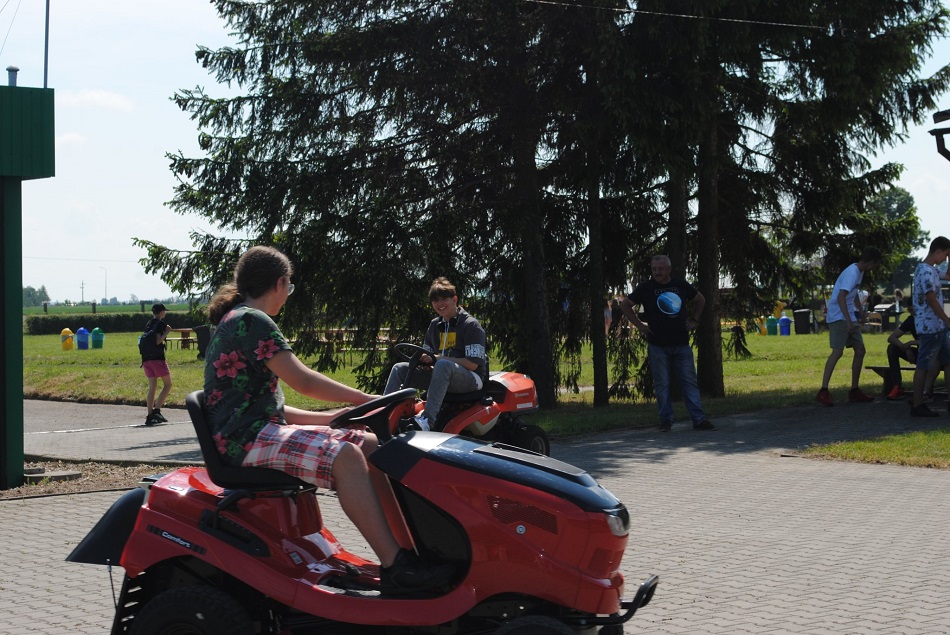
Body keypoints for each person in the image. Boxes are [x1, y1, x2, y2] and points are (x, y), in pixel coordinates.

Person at [204, 245, 452, 592]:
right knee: (346, 457)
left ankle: (406, 551)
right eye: (288, 288)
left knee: (368, 443)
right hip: (244, 443)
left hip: (255, 433)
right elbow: (303, 381)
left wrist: (333, 418)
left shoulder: (238, 321)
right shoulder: (251, 320)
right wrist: (364, 398)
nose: (287, 297)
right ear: (278, 283)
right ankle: (398, 567)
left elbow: (262, 405)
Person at [620, 255, 715, 431]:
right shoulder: (646, 288)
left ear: (669, 270)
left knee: (689, 383)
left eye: (661, 269)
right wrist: (639, 325)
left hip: (681, 343)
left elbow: (700, 299)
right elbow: (625, 304)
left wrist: (695, 319)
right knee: (662, 384)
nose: (657, 272)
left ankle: (699, 419)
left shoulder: (680, 285)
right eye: (654, 269)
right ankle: (665, 421)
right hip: (657, 344)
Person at [384, 277, 488, 431]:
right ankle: (384, 414)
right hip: (441, 374)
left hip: (472, 379)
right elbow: (429, 353)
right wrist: (425, 361)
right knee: (400, 368)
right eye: (435, 300)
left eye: (444, 299)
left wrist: (439, 360)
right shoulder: (435, 325)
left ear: (454, 299)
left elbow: (473, 364)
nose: (440, 304)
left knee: (443, 365)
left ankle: (427, 421)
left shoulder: (470, 325)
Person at [815, 247, 882, 406]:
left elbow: (853, 294)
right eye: (875, 265)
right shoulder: (852, 272)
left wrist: (860, 311)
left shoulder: (860, 272)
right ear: (870, 262)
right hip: (839, 317)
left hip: (849, 316)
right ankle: (823, 391)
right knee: (837, 352)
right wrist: (848, 321)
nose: (874, 268)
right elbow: (840, 297)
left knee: (860, 350)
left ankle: (854, 390)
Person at [909, 236, 950, 417]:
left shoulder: (930, 270)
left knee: (948, 362)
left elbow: (948, 276)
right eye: (945, 255)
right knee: (923, 365)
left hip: (938, 327)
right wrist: (947, 319)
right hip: (929, 327)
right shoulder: (925, 272)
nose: (945, 260)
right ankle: (917, 405)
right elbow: (931, 299)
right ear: (938, 251)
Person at [142, 303, 173, 426]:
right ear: (161, 312)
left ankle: (150, 415)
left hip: (146, 359)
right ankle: (157, 410)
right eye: (164, 311)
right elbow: (158, 340)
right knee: (168, 384)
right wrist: (167, 331)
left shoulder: (149, 323)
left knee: (152, 387)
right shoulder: (160, 324)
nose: (165, 313)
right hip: (157, 359)